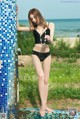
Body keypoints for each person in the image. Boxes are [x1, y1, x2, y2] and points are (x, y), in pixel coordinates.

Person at [17, 7, 55, 117]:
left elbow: (51, 41)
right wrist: (16, 14)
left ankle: (44, 105)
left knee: (46, 80)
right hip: (36, 53)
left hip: (47, 54)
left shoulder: (50, 25)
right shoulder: (33, 28)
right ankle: (43, 108)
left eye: (34, 17)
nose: (33, 20)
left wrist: (49, 39)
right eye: (31, 19)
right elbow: (18, 28)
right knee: (41, 76)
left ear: (38, 15)